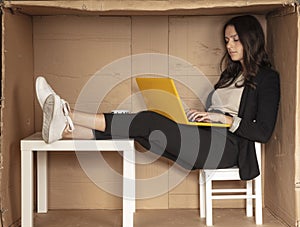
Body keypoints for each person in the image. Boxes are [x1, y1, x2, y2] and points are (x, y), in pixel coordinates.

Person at [36, 15, 280, 180]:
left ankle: (67, 113)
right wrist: (191, 114)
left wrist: (224, 120)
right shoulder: (230, 75)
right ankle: (64, 131)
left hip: (227, 148)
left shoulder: (268, 78)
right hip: (205, 135)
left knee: (147, 121)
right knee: (143, 130)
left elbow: (263, 132)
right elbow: (214, 115)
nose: (229, 45)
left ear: (251, 39)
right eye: (227, 40)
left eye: (236, 40)